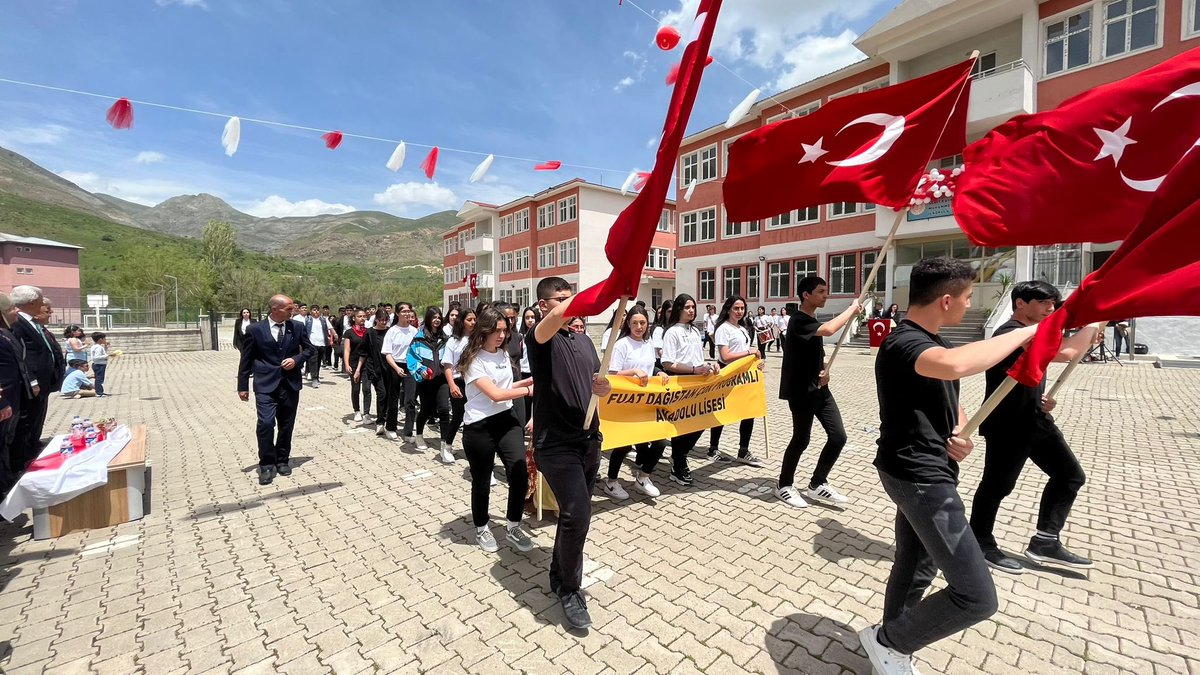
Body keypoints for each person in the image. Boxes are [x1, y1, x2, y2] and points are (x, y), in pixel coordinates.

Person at [859, 258, 1038, 675]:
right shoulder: (905, 343)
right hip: (917, 476)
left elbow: (948, 393)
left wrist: (959, 431)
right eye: (967, 298)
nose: (967, 304)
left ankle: (892, 646)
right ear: (945, 300)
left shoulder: (931, 339)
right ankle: (888, 641)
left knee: (916, 563)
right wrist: (1029, 333)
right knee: (976, 597)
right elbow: (959, 367)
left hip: (925, 467)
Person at [971, 281, 1102, 574]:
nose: (1050, 309)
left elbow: (1036, 368)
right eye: (1044, 303)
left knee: (1070, 476)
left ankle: (1045, 540)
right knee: (997, 485)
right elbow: (1067, 352)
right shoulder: (1011, 333)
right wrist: (1092, 323)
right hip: (1007, 423)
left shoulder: (1034, 334)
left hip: (1035, 419)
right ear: (1020, 303)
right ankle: (979, 540)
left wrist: (1041, 399)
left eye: (1054, 304)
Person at [527, 276, 612, 630]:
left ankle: (558, 573)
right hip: (556, 443)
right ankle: (570, 589)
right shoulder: (540, 339)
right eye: (562, 300)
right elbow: (559, 318)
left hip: (589, 439)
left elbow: (596, 382)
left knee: (572, 517)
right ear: (544, 306)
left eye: (570, 298)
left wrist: (602, 387)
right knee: (578, 514)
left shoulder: (583, 341)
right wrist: (605, 288)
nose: (571, 306)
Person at [776, 277, 860, 508]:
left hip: (820, 389)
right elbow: (830, 329)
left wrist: (825, 371)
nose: (826, 295)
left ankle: (817, 484)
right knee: (801, 439)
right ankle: (784, 485)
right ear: (806, 294)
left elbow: (816, 352)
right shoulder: (798, 320)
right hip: (801, 391)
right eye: (821, 291)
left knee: (838, 437)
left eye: (826, 291)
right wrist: (851, 310)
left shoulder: (811, 320)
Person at [459, 308, 535, 553]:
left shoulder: (502, 354)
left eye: (505, 330)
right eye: (496, 331)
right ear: (484, 330)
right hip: (479, 426)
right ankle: (481, 527)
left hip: (506, 420)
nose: (501, 335)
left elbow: (504, 387)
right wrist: (528, 391)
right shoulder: (473, 360)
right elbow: (494, 394)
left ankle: (513, 526)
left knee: (519, 472)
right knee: (481, 481)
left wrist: (525, 382)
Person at [238, 295, 315, 486]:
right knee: (265, 424)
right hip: (265, 385)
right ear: (275, 309)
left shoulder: (296, 327)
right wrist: (242, 386)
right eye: (289, 309)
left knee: (286, 425)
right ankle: (266, 464)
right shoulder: (254, 330)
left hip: (290, 385)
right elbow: (246, 359)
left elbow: (309, 349)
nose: (293, 312)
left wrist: (296, 360)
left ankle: (282, 460)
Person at [601, 305, 668, 499]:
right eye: (635, 323)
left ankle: (643, 476)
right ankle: (611, 482)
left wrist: (658, 372)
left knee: (661, 441)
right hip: (626, 404)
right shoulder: (622, 344)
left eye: (642, 323)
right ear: (628, 324)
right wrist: (632, 373)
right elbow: (612, 374)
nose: (639, 326)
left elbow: (648, 366)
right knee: (623, 445)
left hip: (647, 403)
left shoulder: (647, 344)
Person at [659, 294, 719, 487]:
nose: (691, 310)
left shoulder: (694, 330)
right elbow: (667, 362)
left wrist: (709, 366)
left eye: (693, 307)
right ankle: (678, 463)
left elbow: (697, 358)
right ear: (678, 309)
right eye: (687, 307)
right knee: (682, 425)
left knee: (702, 420)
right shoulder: (671, 332)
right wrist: (693, 369)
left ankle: (681, 455)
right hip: (680, 382)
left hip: (698, 381)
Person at [707, 295, 765, 466]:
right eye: (736, 308)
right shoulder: (723, 329)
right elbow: (725, 356)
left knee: (749, 412)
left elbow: (747, 351)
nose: (740, 311)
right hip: (727, 375)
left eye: (742, 308)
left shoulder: (742, 328)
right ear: (728, 309)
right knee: (722, 412)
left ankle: (743, 450)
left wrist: (756, 363)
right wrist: (749, 353)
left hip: (744, 376)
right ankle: (713, 448)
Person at [11, 286, 63, 469]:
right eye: (41, 301)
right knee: (26, 423)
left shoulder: (31, 323)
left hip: (42, 384)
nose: (44, 304)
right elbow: (21, 357)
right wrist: (32, 380)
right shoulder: (18, 324)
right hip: (31, 385)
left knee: (35, 420)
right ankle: (20, 461)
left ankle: (32, 448)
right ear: (32, 302)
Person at [408, 306, 451, 457]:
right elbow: (412, 359)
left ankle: (445, 444)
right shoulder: (418, 339)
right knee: (426, 409)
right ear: (428, 319)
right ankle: (419, 435)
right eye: (434, 317)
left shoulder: (445, 338)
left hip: (442, 380)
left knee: (444, 410)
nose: (437, 320)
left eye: (439, 317)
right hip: (426, 381)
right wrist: (422, 372)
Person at [0, 292, 30, 496]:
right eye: (11, 308)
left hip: (10, 401)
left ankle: (6, 480)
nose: (16, 310)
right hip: (4, 402)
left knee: (5, 444)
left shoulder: (5, 333)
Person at [442, 308, 477, 460]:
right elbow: (448, 366)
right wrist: (452, 385)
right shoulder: (453, 341)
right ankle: (447, 446)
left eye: (475, 319)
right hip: (458, 381)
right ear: (462, 321)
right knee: (458, 415)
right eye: (469, 320)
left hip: (475, 382)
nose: (473, 323)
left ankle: (472, 448)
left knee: (474, 416)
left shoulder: (478, 339)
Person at [381, 303, 418, 442]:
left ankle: (408, 432)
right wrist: (396, 368)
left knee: (410, 400)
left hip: (410, 366)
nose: (407, 313)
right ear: (397, 313)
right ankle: (391, 427)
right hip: (395, 365)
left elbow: (417, 351)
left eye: (409, 311)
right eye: (404, 311)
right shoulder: (392, 331)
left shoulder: (414, 331)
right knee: (393, 398)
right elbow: (387, 353)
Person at [364, 309, 392, 435]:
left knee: (390, 395)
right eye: (381, 320)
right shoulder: (370, 333)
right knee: (382, 394)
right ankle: (380, 422)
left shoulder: (390, 332)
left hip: (390, 368)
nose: (384, 322)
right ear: (376, 319)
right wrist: (359, 369)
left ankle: (387, 418)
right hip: (375, 369)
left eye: (386, 320)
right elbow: (364, 352)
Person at [342, 309, 372, 423]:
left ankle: (367, 413)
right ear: (354, 318)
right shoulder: (349, 332)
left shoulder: (369, 331)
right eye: (359, 316)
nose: (362, 318)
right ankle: (357, 411)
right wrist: (347, 364)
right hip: (354, 363)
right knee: (356, 389)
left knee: (367, 389)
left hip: (367, 364)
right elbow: (347, 350)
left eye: (364, 316)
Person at [304, 307, 334, 388]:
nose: (316, 311)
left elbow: (330, 328)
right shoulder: (308, 320)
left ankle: (316, 377)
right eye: (314, 310)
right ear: (311, 311)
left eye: (317, 310)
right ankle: (314, 379)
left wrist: (335, 334)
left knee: (318, 361)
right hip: (312, 343)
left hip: (322, 343)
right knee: (313, 360)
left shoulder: (323, 319)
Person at [89, 333, 110, 397]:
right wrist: (108, 355)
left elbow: (102, 353)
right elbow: (96, 357)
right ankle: (99, 392)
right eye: (104, 339)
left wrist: (106, 347)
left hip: (98, 364)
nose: (105, 340)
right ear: (100, 339)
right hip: (99, 365)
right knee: (99, 379)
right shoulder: (98, 347)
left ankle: (100, 391)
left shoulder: (96, 346)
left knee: (99, 378)